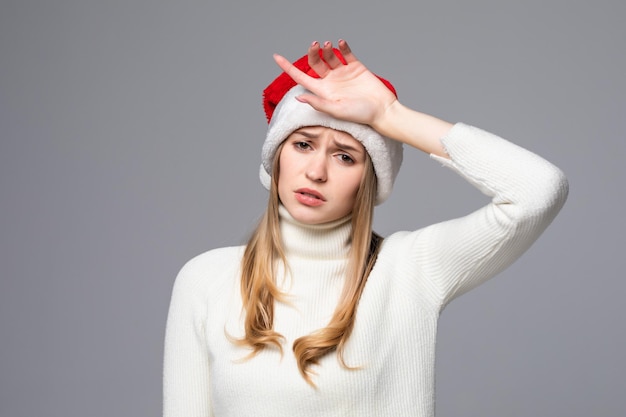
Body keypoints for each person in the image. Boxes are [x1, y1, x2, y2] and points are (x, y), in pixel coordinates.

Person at [163, 39, 568, 417]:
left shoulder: (411, 269)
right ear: (276, 157)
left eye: (344, 156)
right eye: (302, 144)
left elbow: (538, 191)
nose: (316, 171)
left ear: (369, 179)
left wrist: (390, 116)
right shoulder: (205, 279)